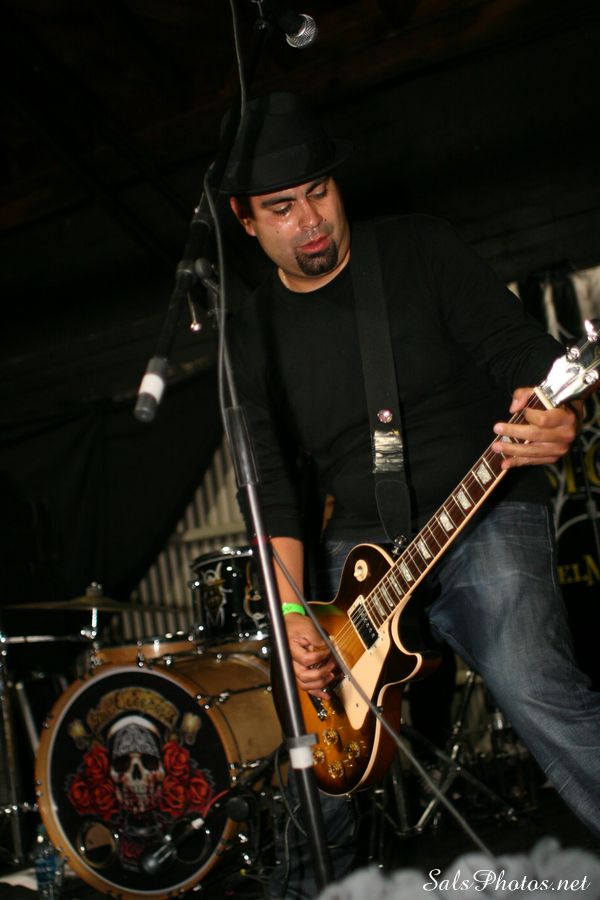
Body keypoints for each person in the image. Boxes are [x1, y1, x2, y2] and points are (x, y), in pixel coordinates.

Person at [221, 92, 599, 890]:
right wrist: (293, 616)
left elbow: (524, 354)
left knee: (533, 684)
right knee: (313, 739)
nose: (311, 220)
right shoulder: (249, 334)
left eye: (319, 191)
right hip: (357, 543)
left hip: (482, 507)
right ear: (244, 220)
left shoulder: (419, 249)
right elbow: (273, 490)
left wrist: (557, 410)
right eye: (281, 208)